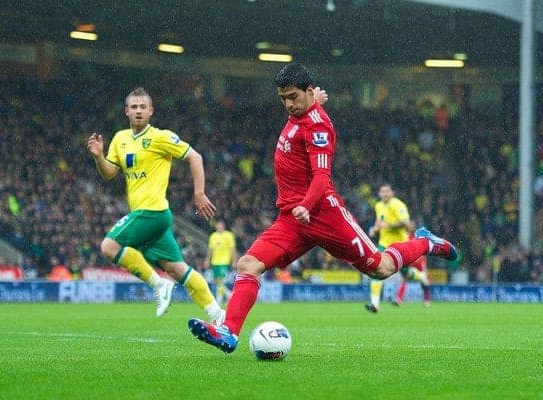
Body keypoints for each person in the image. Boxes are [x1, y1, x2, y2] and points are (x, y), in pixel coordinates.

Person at [187, 63, 457, 354]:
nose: (288, 104)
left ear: (307, 90)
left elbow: (321, 176)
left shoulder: (317, 126)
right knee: (248, 265)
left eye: (293, 97)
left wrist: (306, 205)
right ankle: (229, 332)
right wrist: (314, 102)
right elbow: (307, 108)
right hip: (292, 219)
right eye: (283, 99)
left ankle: (427, 242)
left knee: (381, 268)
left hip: (323, 213)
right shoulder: (304, 110)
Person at [87, 87, 224, 322]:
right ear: (126, 111)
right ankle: (219, 315)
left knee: (108, 246)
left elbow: (195, 157)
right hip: (148, 216)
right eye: (134, 107)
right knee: (177, 269)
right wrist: (99, 156)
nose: (138, 111)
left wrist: (199, 193)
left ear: (151, 111)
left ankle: (158, 284)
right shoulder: (120, 139)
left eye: (143, 107)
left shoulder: (161, 137)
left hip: (153, 211)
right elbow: (109, 174)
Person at [365, 183, 414, 313]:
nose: (384, 194)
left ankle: (423, 279)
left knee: (407, 274)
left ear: (392, 193)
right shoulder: (378, 205)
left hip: (401, 245)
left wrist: (389, 226)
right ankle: (375, 304)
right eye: (382, 192)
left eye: (387, 191)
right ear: (379, 194)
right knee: (375, 269)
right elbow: (379, 222)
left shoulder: (398, 205)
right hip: (384, 244)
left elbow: (407, 224)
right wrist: (374, 229)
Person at [392, 230, 431, 307]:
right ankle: (399, 300)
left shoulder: (421, 253)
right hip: (412, 270)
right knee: (404, 279)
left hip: (420, 272)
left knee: (425, 282)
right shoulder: (411, 252)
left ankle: (427, 301)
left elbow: (424, 265)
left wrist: (426, 274)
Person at [205, 219, 237, 307]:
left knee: (221, 281)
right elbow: (210, 250)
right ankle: (230, 295)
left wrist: (234, 261)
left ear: (224, 226)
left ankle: (218, 301)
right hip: (214, 261)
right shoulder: (213, 236)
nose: (219, 227)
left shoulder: (229, 235)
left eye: (220, 225)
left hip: (224, 261)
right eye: (217, 225)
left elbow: (233, 249)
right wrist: (207, 260)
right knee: (217, 282)